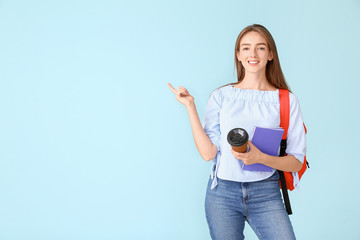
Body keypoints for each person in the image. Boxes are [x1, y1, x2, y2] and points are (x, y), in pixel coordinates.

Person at [168, 24, 306, 240]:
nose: (253, 54)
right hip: (222, 193)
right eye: (246, 48)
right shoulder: (221, 96)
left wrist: (261, 158)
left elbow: (296, 162)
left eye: (260, 48)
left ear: (270, 54)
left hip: (266, 193)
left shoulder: (286, 100)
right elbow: (208, 154)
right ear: (238, 55)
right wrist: (190, 107)